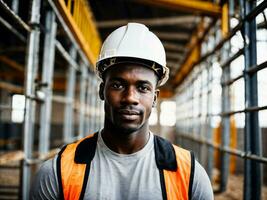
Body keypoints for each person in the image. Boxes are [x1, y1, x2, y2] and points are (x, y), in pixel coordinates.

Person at [30, 23, 213, 200]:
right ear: (102, 91)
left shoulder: (189, 174)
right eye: (118, 85)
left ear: (155, 98)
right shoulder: (59, 172)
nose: (130, 97)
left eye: (143, 88)